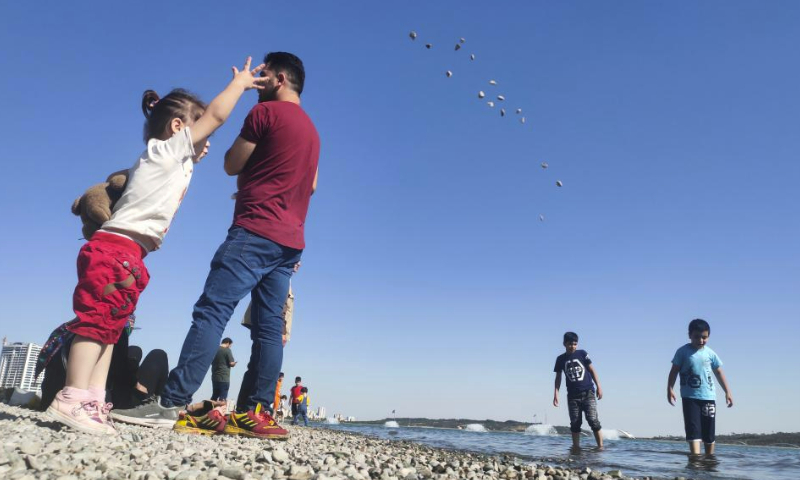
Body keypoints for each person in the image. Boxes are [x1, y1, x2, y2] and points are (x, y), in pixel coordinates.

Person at [47, 57, 267, 435]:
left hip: (132, 255)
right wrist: (240, 85)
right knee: (95, 323)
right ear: (179, 127)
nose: (207, 143)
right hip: (116, 249)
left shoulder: (175, 163)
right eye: (201, 133)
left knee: (112, 329)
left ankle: (93, 400)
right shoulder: (163, 151)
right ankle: (71, 396)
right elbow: (215, 115)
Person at [112, 52, 320, 441]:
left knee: (212, 313)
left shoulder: (265, 115)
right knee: (269, 331)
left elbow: (231, 162)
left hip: (253, 231)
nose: (257, 85)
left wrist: (253, 183)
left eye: (262, 78)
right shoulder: (313, 132)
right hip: (291, 243)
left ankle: (172, 401)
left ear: (276, 79)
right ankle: (255, 413)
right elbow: (309, 186)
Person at [38, 319, 169, 411]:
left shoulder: (70, 328)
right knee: (158, 355)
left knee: (135, 350)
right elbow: (120, 371)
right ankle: (161, 407)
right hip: (97, 400)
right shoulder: (113, 325)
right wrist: (135, 383)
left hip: (50, 396)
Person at [668, 318, 734, 456]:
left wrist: (727, 392)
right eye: (697, 336)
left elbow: (719, 372)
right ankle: (695, 461)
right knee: (693, 429)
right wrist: (670, 388)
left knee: (709, 431)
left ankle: (709, 460)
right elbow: (674, 370)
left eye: (704, 337)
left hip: (708, 397)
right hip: (690, 397)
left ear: (708, 336)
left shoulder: (710, 353)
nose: (701, 340)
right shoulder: (682, 352)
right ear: (689, 335)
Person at [553, 332, 604, 449]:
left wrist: (599, 386)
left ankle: (600, 447)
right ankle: (576, 448)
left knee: (592, 420)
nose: (573, 346)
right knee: (575, 423)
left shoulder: (582, 354)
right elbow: (558, 377)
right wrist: (556, 393)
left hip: (588, 392)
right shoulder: (560, 359)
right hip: (572, 396)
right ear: (564, 344)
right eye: (570, 344)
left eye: (575, 344)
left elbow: (592, 370)